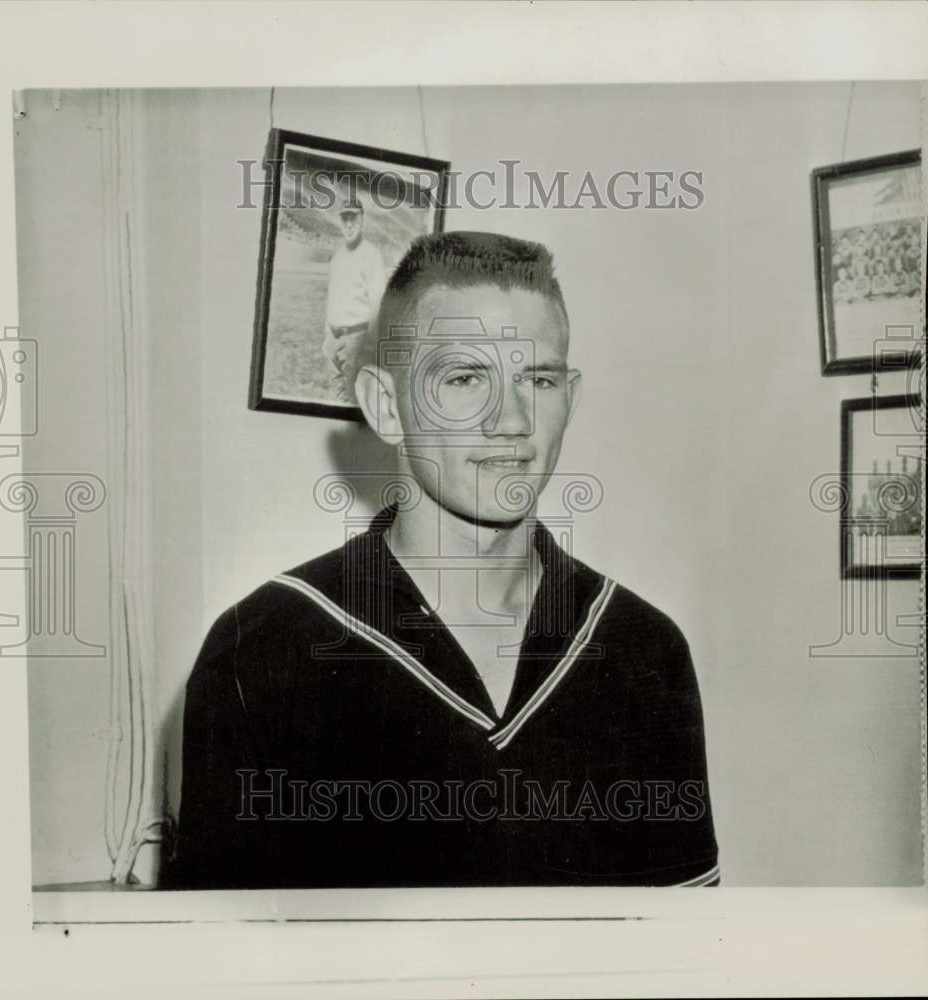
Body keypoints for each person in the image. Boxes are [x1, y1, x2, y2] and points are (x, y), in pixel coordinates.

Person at [164, 232, 719, 889]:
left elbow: (682, 957)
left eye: (537, 379)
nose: (511, 419)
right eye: (464, 378)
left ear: (568, 398)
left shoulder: (643, 648)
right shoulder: (261, 649)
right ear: (386, 405)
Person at [322, 196, 387, 403]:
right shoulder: (339, 256)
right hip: (333, 339)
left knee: (353, 401)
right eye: (345, 219)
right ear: (340, 222)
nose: (349, 225)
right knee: (334, 397)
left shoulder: (371, 255)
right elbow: (332, 297)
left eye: (353, 218)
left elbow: (378, 304)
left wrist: (368, 346)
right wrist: (327, 336)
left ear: (362, 219)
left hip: (356, 341)